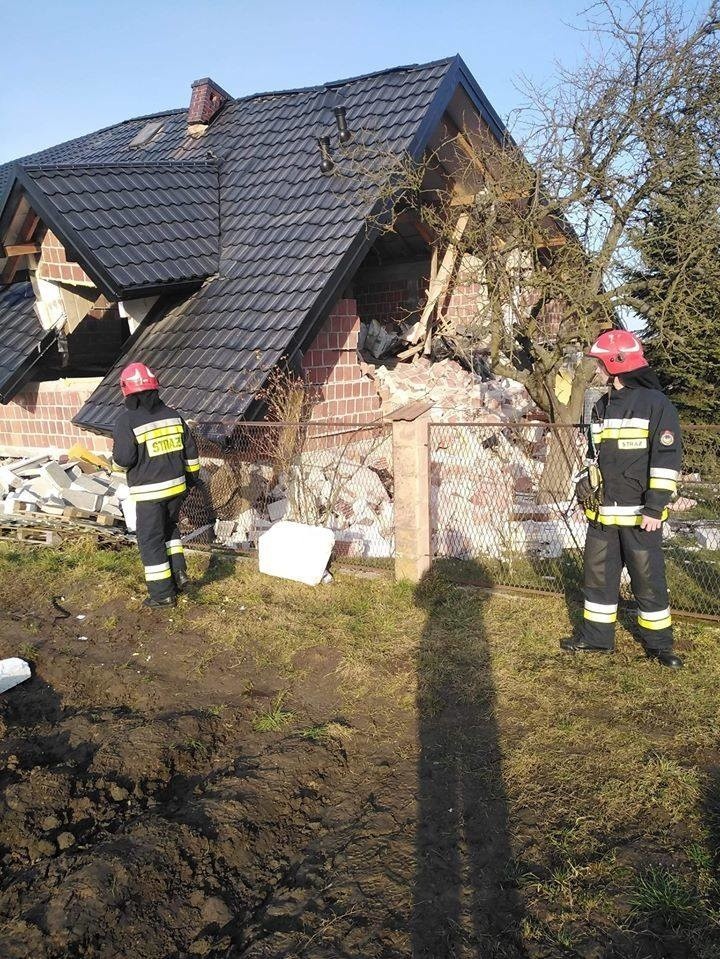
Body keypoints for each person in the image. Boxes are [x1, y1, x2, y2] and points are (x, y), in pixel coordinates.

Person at [561, 330, 683, 668]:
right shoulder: (601, 405)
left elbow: (666, 458)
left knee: (648, 580)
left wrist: (655, 507)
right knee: (597, 578)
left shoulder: (656, 404)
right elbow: (593, 456)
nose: (597, 370)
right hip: (602, 515)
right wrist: (586, 482)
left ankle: (660, 646)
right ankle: (597, 640)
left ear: (616, 364)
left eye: (600, 363)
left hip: (641, 516)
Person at [112, 362, 201, 608]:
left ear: (126, 391)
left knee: (150, 541)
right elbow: (191, 454)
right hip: (178, 489)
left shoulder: (126, 421)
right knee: (170, 530)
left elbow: (124, 459)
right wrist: (191, 479)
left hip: (150, 493)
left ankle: (162, 595)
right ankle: (180, 575)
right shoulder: (174, 416)